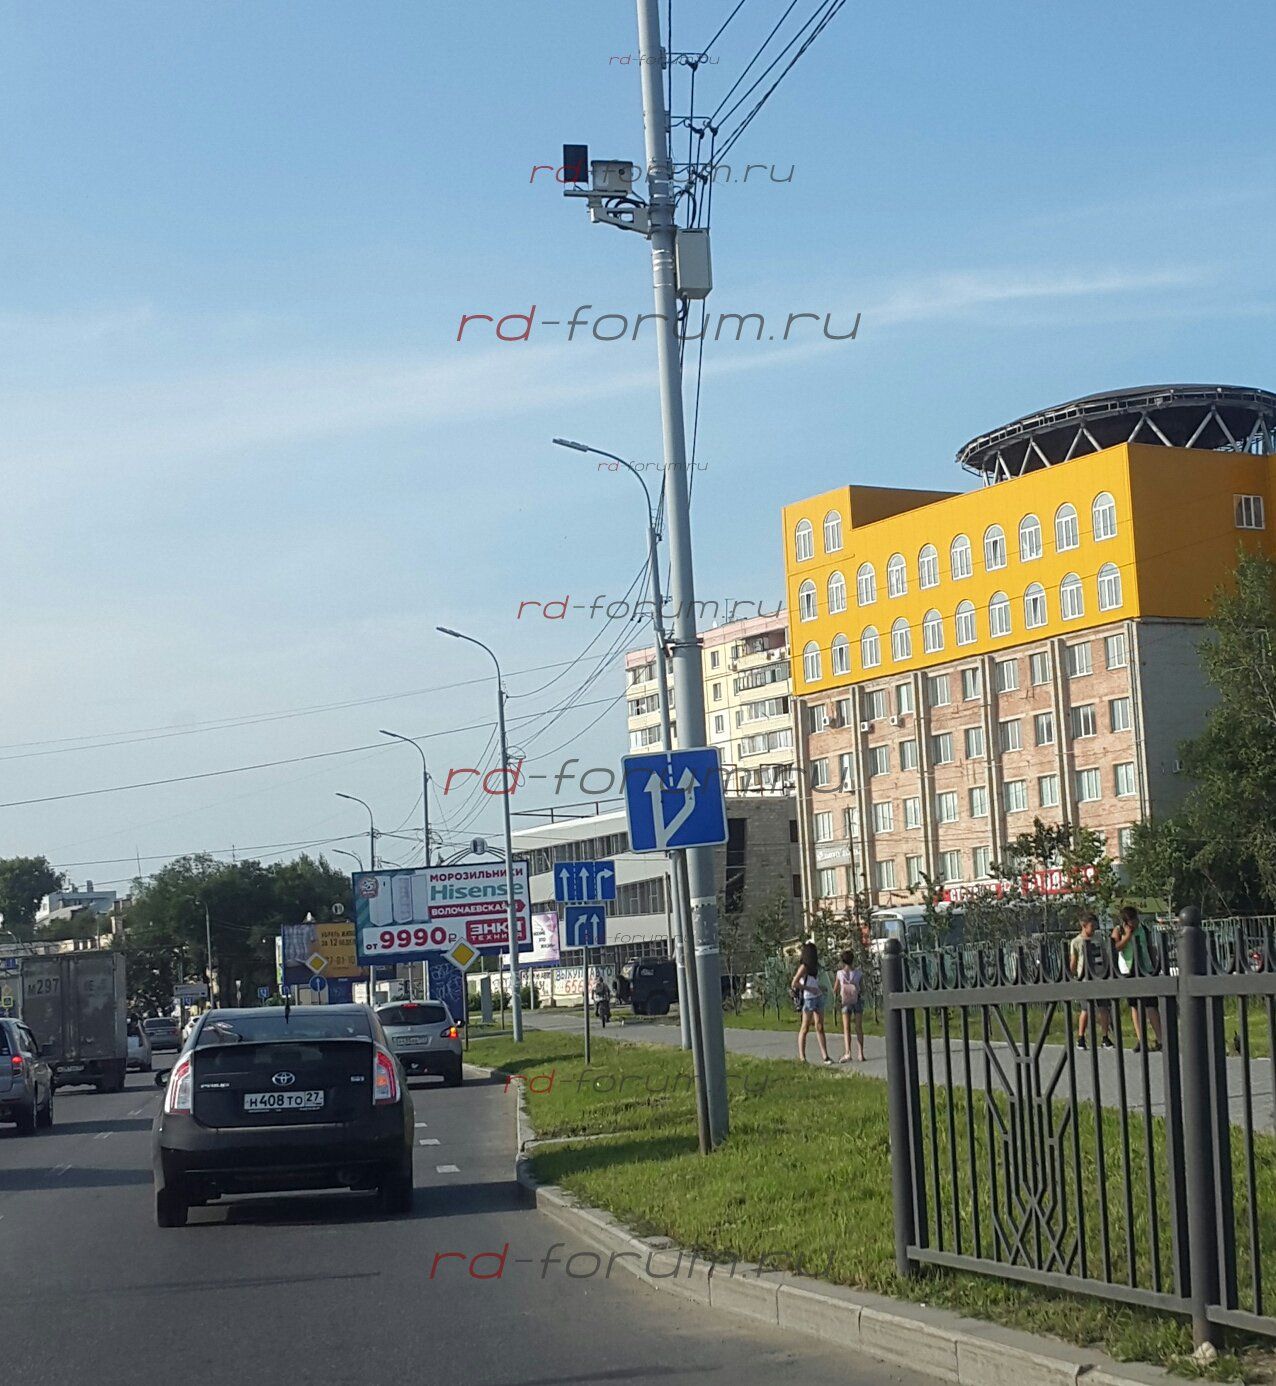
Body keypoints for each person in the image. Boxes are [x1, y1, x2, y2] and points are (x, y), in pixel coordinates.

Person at [1111, 905, 1164, 1052]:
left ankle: (1160, 1038)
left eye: (1136, 920)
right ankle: (1141, 1039)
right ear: (1125, 922)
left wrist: (1155, 966)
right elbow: (1115, 947)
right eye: (1131, 921)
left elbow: (1150, 947)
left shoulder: (1143, 929)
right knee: (1134, 1005)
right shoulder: (1118, 930)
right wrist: (1127, 936)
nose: (1135, 923)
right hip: (1128, 969)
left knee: (1151, 1005)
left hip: (1145, 967)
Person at [1069, 913, 1112, 1050]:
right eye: (1091, 926)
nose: (1093, 928)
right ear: (1084, 925)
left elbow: (1104, 954)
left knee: (1104, 1008)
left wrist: (1107, 969)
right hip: (1085, 977)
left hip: (1099, 975)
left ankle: (1105, 1037)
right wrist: (1073, 974)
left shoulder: (1098, 938)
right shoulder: (1076, 941)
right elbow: (1074, 960)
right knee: (1086, 1009)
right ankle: (1081, 1037)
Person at [792, 941, 832, 1065]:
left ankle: (825, 1055)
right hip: (808, 998)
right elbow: (794, 983)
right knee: (805, 1027)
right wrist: (809, 989)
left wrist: (819, 988)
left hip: (818, 996)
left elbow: (814, 982)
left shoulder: (815, 967)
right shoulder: (804, 967)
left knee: (819, 1026)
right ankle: (802, 1057)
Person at [834, 949, 865, 1062]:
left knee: (846, 1028)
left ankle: (848, 1052)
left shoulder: (839, 974)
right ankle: (860, 1053)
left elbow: (835, 989)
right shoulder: (858, 973)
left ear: (842, 961)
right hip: (857, 1000)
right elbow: (862, 989)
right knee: (858, 1027)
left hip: (845, 1001)